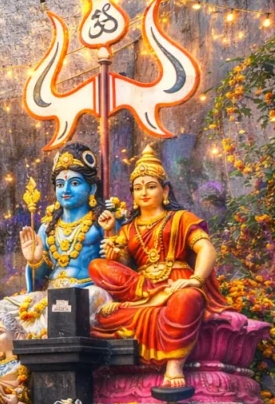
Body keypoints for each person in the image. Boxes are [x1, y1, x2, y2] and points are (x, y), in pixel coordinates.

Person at [91, 145, 232, 388]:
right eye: (138, 188)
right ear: (132, 195)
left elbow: (207, 249)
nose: (144, 192)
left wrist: (196, 280)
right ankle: (155, 297)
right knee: (97, 266)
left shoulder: (181, 218)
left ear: (164, 190)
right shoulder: (128, 228)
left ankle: (174, 364)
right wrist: (111, 238)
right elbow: (123, 265)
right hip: (143, 289)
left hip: (177, 284)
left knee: (188, 299)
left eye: (150, 186)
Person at [0, 143, 113, 338]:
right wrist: (35, 261)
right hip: (51, 296)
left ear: (92, 188)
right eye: (60, 185)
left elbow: (120, 268)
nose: (66, 190)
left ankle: (34, 334)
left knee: (80, 302)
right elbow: (39, 278)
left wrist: (113, 243)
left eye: (75, 183)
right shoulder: (47, 227)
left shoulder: (103, 222)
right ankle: (38, 333)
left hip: (87, 291)